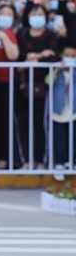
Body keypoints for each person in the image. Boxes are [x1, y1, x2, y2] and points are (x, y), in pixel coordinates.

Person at [17, 4, 59, 169]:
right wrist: (38, 56)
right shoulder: (22, 34)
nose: (36, 17)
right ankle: (27, 161)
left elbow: (53, 56)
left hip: (44, 86)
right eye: (33, 14)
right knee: (24, 123)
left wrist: (36, 57)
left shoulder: (51, 35)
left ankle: (42, 160)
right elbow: (18, 57)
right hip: (23, 86)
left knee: (42, 124)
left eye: (40, 14)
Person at [0, 5, 20, 169]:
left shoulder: (8, 34)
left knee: (5, 122)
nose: (5, 16)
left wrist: (3, 36)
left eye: (9, 14)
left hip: (7, 83)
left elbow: (13, 55)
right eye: (2, 13)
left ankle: (6, 158)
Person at [46, 44, 76, 178]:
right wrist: (57, 69)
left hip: (73, 111)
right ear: (62, 56)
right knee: (60, 139)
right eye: (67, 55)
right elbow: (48, 81)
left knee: (72, 138)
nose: (70, 58)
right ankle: (59, 164)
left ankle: (71, 161)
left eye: (73, 56)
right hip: (58, 111)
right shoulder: (57, 70)